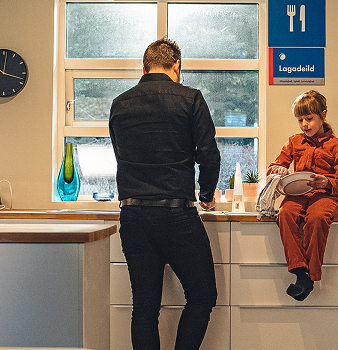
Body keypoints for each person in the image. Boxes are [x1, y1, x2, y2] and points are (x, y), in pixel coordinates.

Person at [109, 37, 220, 350]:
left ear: (144, 69)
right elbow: (209, 154)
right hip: (176, 216)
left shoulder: (121, 103)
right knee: (202, 295)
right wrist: (207, 194)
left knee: (144, 307)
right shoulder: (191, 98)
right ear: (177, 67)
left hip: (132, 215)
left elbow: (121, 153)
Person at [267, 90, 338, 301]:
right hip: (299, 193)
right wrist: (279, 168)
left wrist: (327, 182)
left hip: (326, 195)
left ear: (322, 115)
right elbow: (274, 166)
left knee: (317, 218)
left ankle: (312, 276)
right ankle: (300, 272)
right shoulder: (294, 142)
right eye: (300, 120)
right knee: (285, 213)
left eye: (309, 119)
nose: (304, 124)